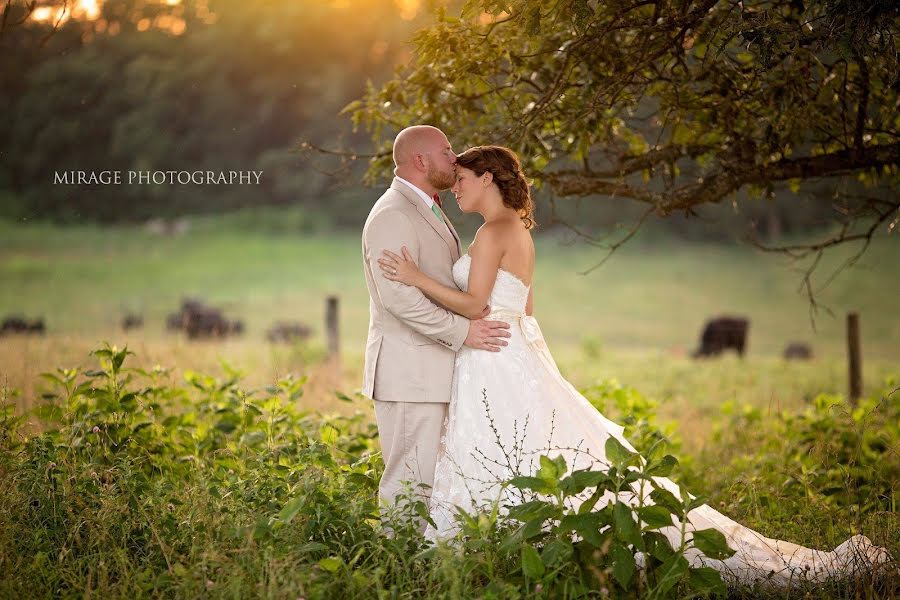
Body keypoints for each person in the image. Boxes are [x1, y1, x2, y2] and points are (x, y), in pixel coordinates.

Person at [376, 144, 891, 585]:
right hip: (506, 350)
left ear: (487, 178)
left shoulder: (492, 233)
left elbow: (473, 307)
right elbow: (525, 309)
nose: (457, 188)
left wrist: (415, 275)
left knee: (501, 449)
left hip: (490, 354)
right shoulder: (514, 230)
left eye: (463, 179)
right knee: (529, 448)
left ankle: (490, 552)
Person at [361, 126, 511, 523]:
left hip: (430, 371)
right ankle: (395, 574)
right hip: (409, 373)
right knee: (409, 483)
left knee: (429, 482)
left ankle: (420, 573)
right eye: (447, 151)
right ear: (421, 161)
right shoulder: (393, 213)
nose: (455, 156)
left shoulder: (427, 206)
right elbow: (398, 299)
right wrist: (464, 332)